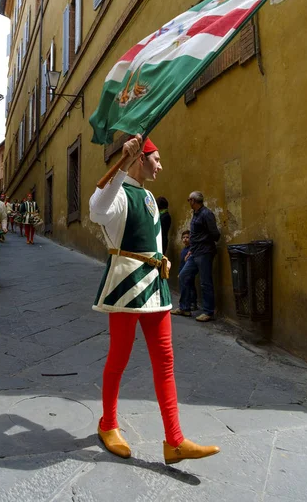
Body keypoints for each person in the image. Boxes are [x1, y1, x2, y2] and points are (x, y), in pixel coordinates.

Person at [89, 135, 220, 465]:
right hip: (126, 285)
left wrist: (162, 258)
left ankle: (175, 441)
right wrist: (120, 164)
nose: (160, 165)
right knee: (118, 357)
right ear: (139, 159)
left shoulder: (148, 196)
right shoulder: (119, 193)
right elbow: (96, 210)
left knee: (165, 361)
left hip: (154, 284)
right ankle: (107, 424)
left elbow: (152, 238)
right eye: (155, 159)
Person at [180, 191, 220, 322]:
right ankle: (184, 308)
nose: (188, 202)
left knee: (205, 283)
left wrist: (203, 241)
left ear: (193, 201)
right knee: (184, 275)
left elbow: (215, 234)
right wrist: (191, 250)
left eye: (189, 200)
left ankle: (208, 312)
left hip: (204, 252)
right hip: (195, 252)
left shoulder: (206, 214)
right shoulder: (196, 214)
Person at [171, 230, 197, 316]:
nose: (185, 239)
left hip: (186, 272)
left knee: (189, 287)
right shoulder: (184, 250)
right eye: (183, 237)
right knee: (188, 287)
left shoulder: (190, 250)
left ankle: (190, 304)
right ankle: (188, 304)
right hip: (182, 271)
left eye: (187, 237)